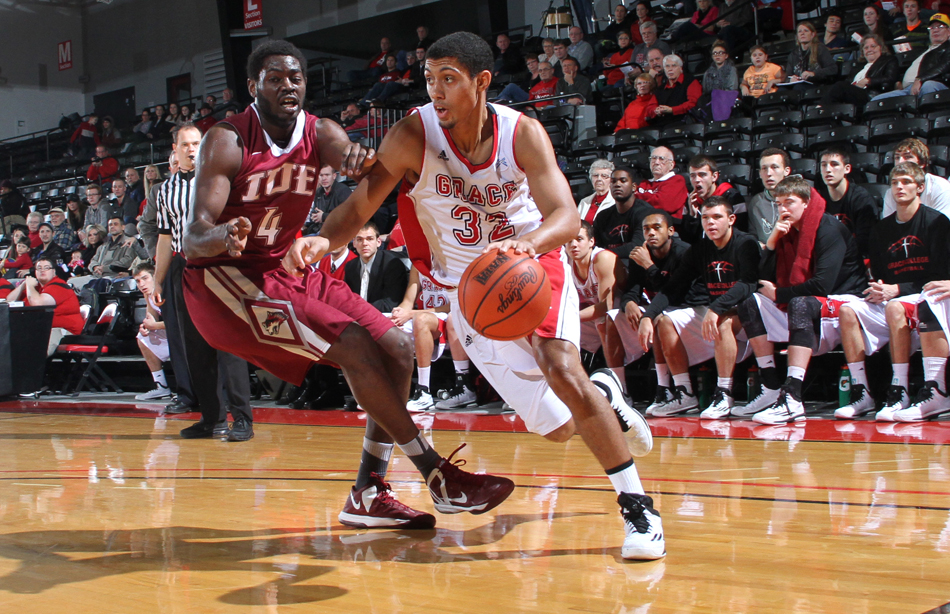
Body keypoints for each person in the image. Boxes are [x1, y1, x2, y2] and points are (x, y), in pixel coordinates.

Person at [289, 32, 663, 557]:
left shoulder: (523, 134)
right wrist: (322, 240)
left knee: (560, 364)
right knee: (555, 429)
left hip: (530, 266)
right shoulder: (411, 135)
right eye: (429, 80)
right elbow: (359, 207)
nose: (436, 91)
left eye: (449, 79)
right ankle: (604, 395)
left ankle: (639, 511)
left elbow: (564, 215)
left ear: (481, 81)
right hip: (466, 290)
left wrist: (526, 245)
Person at [182, 39, 518, 530]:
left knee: (400, 349)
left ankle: (367, 492)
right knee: (356, 346)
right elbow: (192, 237)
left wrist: (359, 160)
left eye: (295, 78)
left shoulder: (319, 132)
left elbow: (349, 156)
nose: (288, 86)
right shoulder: (227, 140)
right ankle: (438, 475)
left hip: (286, 270)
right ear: (254, 87)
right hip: (224, 284)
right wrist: (222, 235)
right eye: (275, 79)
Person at [735, 177, 868, 424]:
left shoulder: (829, 228)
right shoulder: (788, 231)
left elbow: (822, 285)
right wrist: (772, 241)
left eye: (790, 202)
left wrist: (779, 295)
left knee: (798, 303)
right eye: (779, 203)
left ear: (805, 203)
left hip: (845, 300)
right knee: (749, 301)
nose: (784, 209)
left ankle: (792, 396)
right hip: (807, 301)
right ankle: (771, 386)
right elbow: (762, 279)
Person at [154, 123, 253, 435]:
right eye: (185, 144)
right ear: (175, 149)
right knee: (194, 347)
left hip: (218, 265)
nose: (191, 149)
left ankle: (243, 419)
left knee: (229, 343)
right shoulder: (164, 190)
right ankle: (211, 418)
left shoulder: (218, 180)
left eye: (196, 143)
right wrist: (157, 280)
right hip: (183, 267)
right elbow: (163, 238)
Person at [834, 163, 950, 420]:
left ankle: (900, 390)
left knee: (897, 306)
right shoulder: (881, 230)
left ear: (920, 188)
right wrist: (878, 289)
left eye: (907, 181)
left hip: (925, 296)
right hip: (894, 296)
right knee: (847, 310)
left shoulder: (937, 223)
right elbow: (880, 273)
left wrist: (897, 289)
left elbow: (940, 276)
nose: (899, 186)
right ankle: (861, 392)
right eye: (895, 182)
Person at [637, 197, 760, 417]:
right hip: (715, 310)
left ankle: (725, 394)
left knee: (723, 321)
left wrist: (716, 308)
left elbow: (748, 284)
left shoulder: (745, 243)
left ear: (731, 219)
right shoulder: (699, 250)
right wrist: (648, 315)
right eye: (705, 218)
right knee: (664, 321)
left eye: (717, 217)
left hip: (750, 312)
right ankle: (684, 394)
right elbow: (673, 287)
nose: (710, 223)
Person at [605, 210, 689, 378]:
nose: (651, 233)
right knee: (612, 317)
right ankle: (620, 387)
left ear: (670, 231)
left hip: (685, 307)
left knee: (659, 319)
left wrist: (649, 266)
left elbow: (674, 293)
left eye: (657, 228)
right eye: (646, 229)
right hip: (658, 308)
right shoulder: (641, 253)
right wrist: (629, 303)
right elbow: (632, 290)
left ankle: (664, 387)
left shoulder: (684, 252)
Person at [393, 265, 454, 412]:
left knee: (421, 320)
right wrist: (397, 314)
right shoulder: (418, 263)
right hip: (422, 315)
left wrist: (413, 313)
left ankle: (424, 392)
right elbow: (408, 301)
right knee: (382, 326)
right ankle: (383, 391)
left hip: (448, 316)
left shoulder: (452, 259)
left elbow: (452, 305)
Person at [5, 255, 84, 355]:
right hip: (40, 328)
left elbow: (38, 303)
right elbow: (9, 301)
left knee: (32, 349)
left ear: (54, 272)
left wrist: (29, 286)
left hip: (62, 330)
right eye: (39, 268)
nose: (42, 271)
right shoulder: (35, 288)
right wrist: (22, 286)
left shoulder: (59, 286)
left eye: (46, 268)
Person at [568, 221, 618, 376]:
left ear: (591, 241)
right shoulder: (565, 264)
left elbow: (606, 306)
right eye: (569, 240)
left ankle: (621, 387)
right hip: (594, 314)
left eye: (579, 239)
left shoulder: (602, 258)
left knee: (602, 321)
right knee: (551, 330)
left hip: (624, 310)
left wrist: (570, 318)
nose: (573, 245)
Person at [815, 148, 878, 261]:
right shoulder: (819, 200)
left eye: (834, 164)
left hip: (856, 261)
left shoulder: (861, 198)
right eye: (824, 165)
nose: (828, 170)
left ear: (847, 169)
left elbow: (865, 241)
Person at [872, 13, 950, 100]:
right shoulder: (924, 51)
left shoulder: (947, 48)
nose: (935, 30)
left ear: (949, 31)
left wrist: (920, 79)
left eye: (940, 26)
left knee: (928, 85)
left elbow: (944, 65)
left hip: (932, 84)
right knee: (876, 100)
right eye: (932, 27)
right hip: (908, 89)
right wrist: (899, 81)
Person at [343, 222, 409, 312]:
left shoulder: (392, 264)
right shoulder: (351, 266)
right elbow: (347, 298)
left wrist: (359, 309)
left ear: (378, 242)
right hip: (356, 317)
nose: (364, 243)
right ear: (354, 243)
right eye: (359, 239)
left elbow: (390, 304)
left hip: (383, 317)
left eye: (369, 239)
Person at [678, 155, 745, 243]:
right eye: (693, 176)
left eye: (702, 175)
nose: (697, 180)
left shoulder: (732, 197)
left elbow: (741, 230)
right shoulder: (691, 200)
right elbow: (687, 239)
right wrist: (692, 216)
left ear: (714, 176)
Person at [132, 262, 173, 401]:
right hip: (171, 330)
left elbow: (178, 322)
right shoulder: (148, 294)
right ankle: (161, 387)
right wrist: (145, 327)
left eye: (145, 278)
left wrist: (154, 325)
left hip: (187, 332)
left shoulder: (166, 291)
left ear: (155, 276)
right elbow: (150, 318)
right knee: (143, 338)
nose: (141, 284)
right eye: (138, 281)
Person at [820, 35, 900, 106]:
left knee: (840, 86)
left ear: (881, 47)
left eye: (873, 46)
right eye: (866, 47)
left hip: (870, 94)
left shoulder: (889, 60)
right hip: (852, 95)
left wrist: (868, 81)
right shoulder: (858, 66)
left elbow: (890, 78)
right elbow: (849, 82)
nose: (869, 50)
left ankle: (821, 108)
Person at [881, 138, 950, 218]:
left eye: (907, 157)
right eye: (897, 158)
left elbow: (943, 225)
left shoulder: (941, 187)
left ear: (922, 163)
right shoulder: (892, 192)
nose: (900, 162)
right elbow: (888, 226)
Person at [595, 166, 657, 251]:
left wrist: (604, 255)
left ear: (634, 187)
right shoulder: (602, 216)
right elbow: (596, 247)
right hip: (608, 262)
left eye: (623, 181)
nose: (617, 184)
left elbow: (637, 247)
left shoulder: (645, 212)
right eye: (613, 181)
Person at [747, 148, 791, 245]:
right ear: (760, 173)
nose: (769, 173)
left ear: (786, 171)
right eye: (764, 168)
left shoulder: (796, 200)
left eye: (774, 167)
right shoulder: (756, 202)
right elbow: (752, 234)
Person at [648, 54, 702, 127]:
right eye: (667, 66)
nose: (670, 69)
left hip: (683, 121)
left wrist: (672, 110)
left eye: (674, 66)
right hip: (662, 123)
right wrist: (656, 110)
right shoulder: (660, 89)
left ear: (680, 68)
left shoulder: (690, 82)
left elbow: (693, 104)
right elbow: (650, 108)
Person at [637, 146, 689, 219]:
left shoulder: (677, 180)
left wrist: (639, 197)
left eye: (662, 159)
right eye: (654, 158)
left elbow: (664, 204)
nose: (656, 162)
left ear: (671, 165)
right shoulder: (644, 183)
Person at [139, 156, 175, 258]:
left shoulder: (202, 187)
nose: (180, 167)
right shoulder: (158, 190)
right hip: (169, 254)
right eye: (175, 163)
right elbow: (146, 225)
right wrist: (156, 255)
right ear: (170, 168)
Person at [785, 21, 837, 88]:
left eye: (806, 31)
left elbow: (833, 69)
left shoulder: (820, 49)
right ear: (797, 36)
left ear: (813, 35)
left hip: (817, 84)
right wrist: (791, 79)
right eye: (800, 31)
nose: (802, 33)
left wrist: (813, 73)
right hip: (799, 84)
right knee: (781, 90)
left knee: (798, 87)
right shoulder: (793, 54)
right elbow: (787, 76)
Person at [304, 164, 352, 235]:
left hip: (339, 233)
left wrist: (323, 216)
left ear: (334, 176)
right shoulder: (318, 192)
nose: (324, 178)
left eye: (327, 175)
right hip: (319, 230)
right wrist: (314, 217)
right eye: (321, 175)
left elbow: (348, 216)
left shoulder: (343, 191)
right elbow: (315, 213)